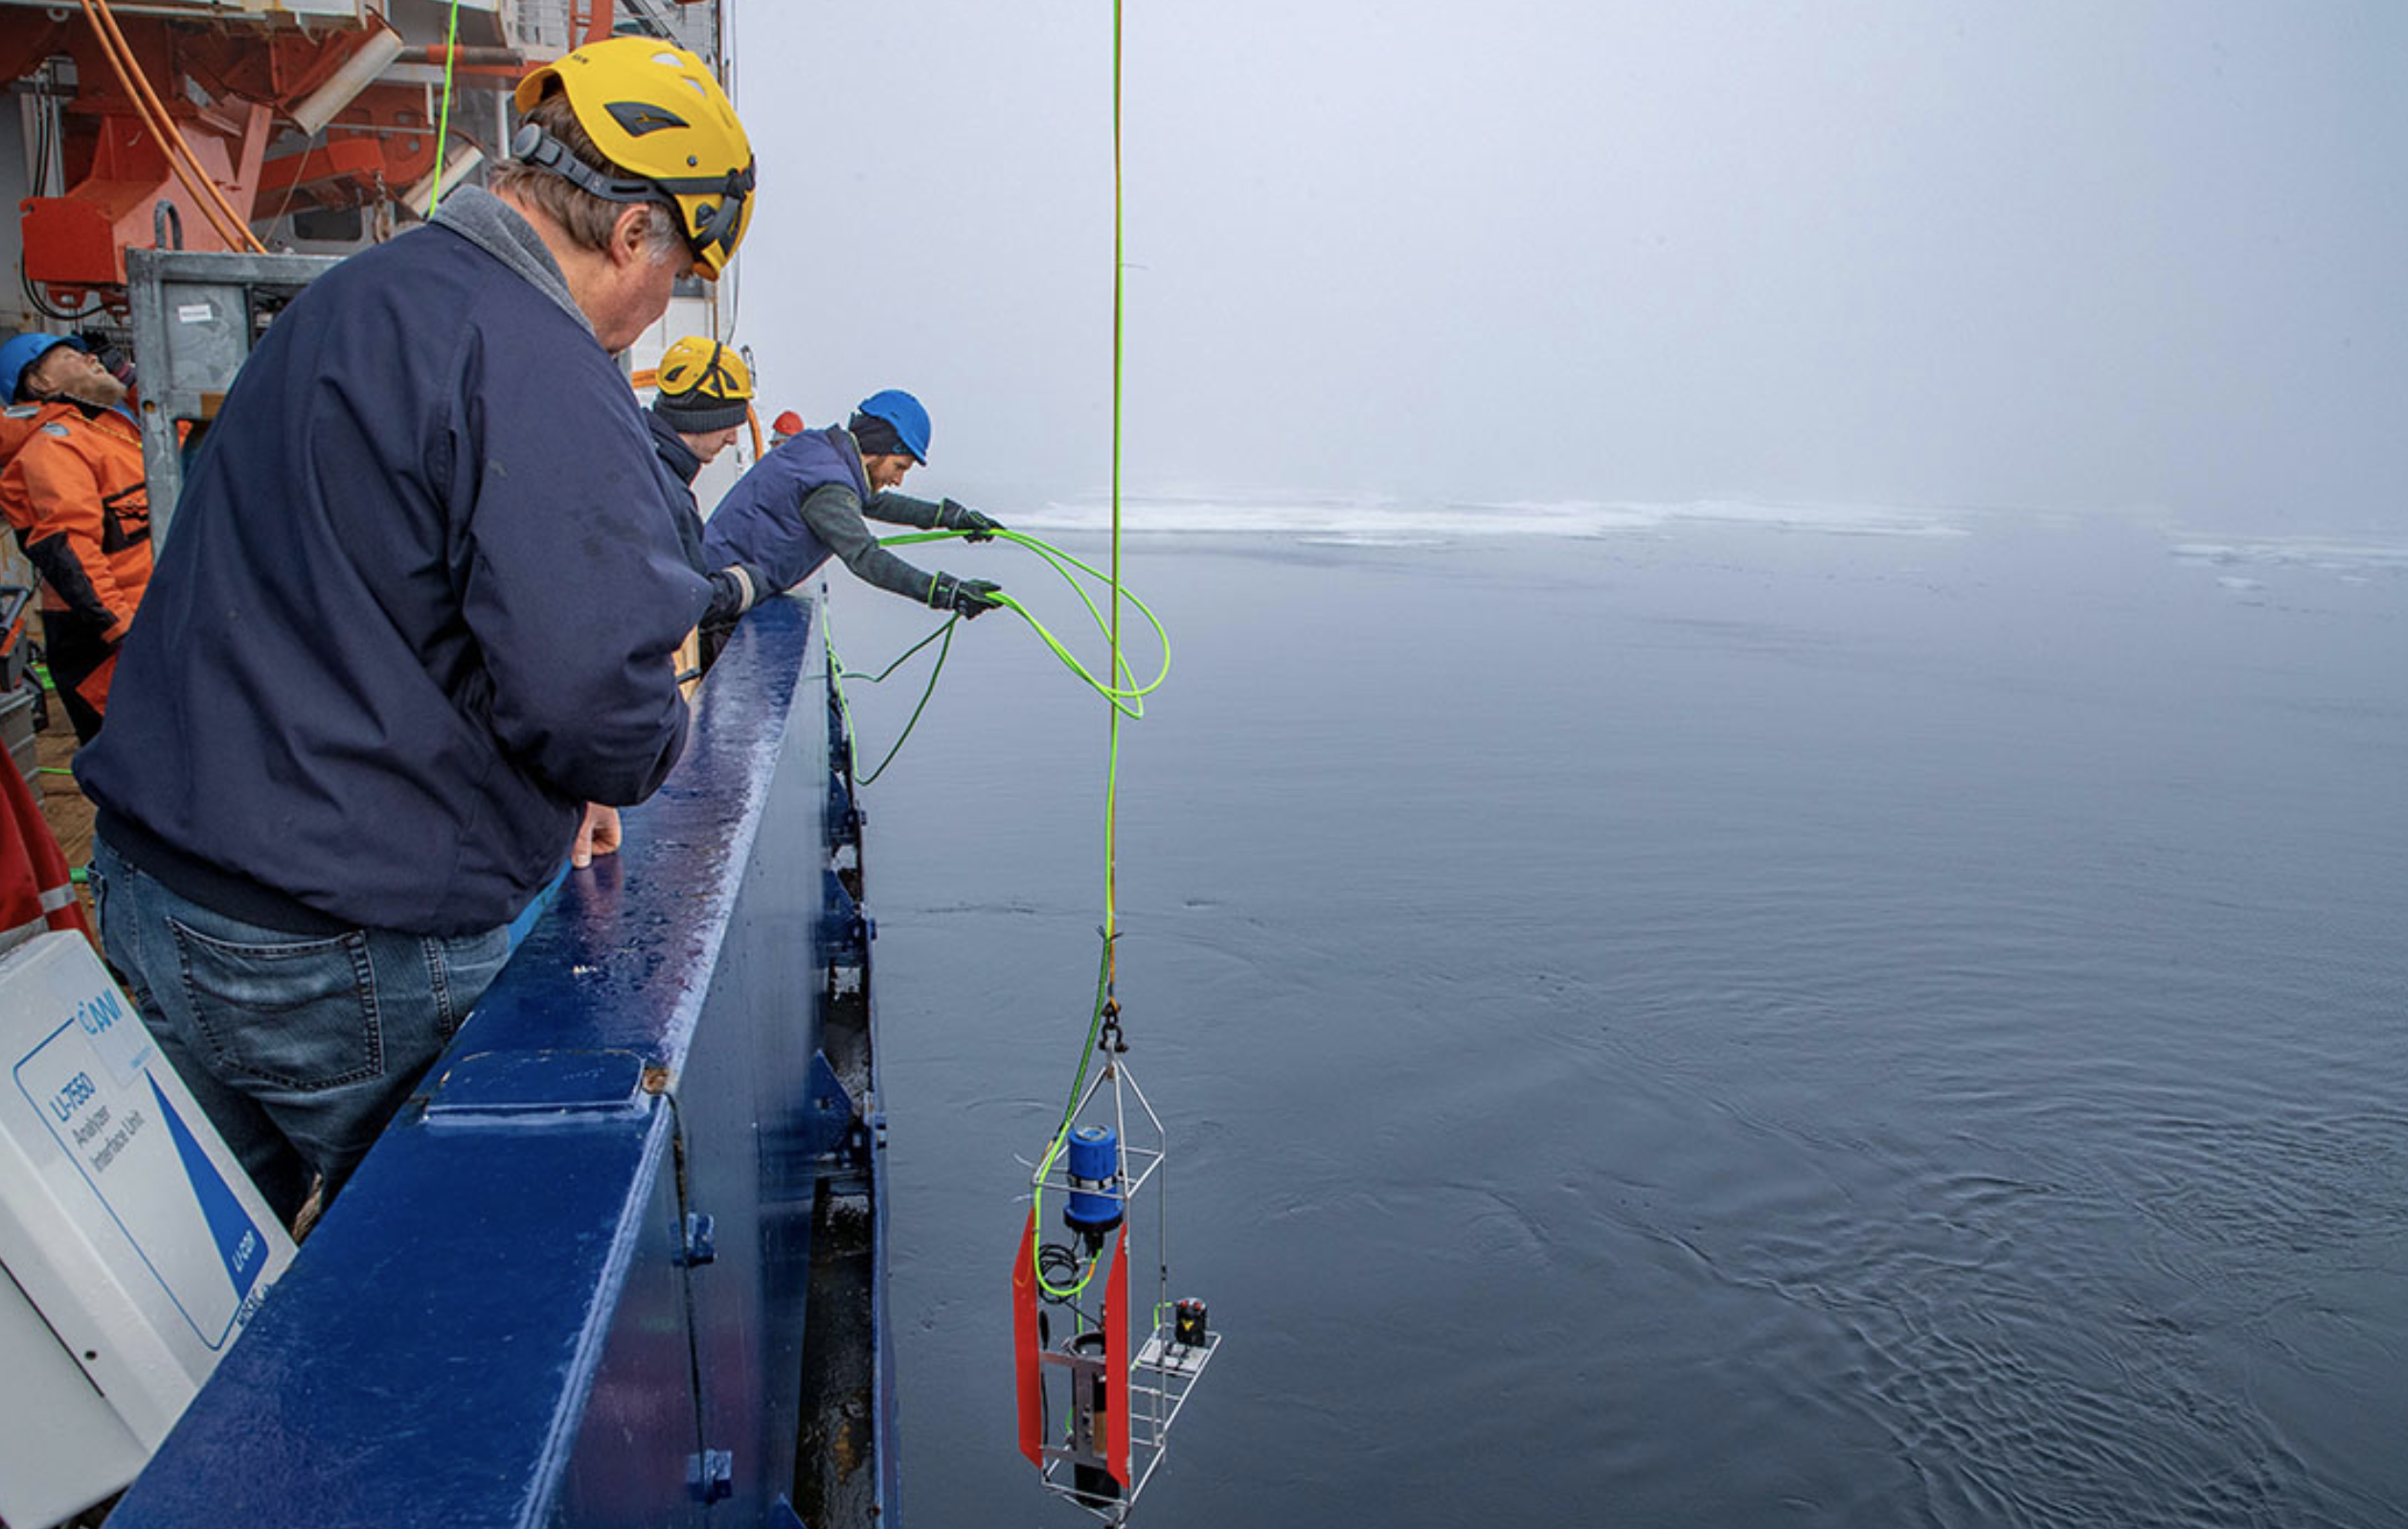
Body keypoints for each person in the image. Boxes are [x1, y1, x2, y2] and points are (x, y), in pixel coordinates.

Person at [73, 35, 758, 1225]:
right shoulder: (534, 356)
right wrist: (633, 754)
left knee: (195, 1282)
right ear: (637, 234)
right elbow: (593, 696)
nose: (663, 309)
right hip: (337, 945)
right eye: (684, 270)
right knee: (438, 1292)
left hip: (155, 881)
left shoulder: (358, 298)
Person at [701, 389, 1009, 619]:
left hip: (710, 577)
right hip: (716, 599)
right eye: (899, 467)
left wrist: (951, 517)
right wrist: (944, 592)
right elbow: (865, 557)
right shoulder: (829, 486)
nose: (898, 479)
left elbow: (869, 501)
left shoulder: (820, 452)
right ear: (879, 448)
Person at [0, 333, 151, 742]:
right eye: (70, 356)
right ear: (41, 384)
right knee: (139, 783)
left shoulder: (112, 429)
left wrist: (130, 379)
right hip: (110, 645)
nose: (90, 359)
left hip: (149, 625)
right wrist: (128, 634)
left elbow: (190, 435)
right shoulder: (53, 448)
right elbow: (71, 552)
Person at [644, 334, 767, 628]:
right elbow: (686, 601)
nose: (733, 438)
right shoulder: (669, 494)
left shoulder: (637, 454)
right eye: (729, 424)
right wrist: (742, 586)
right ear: (702, 420)